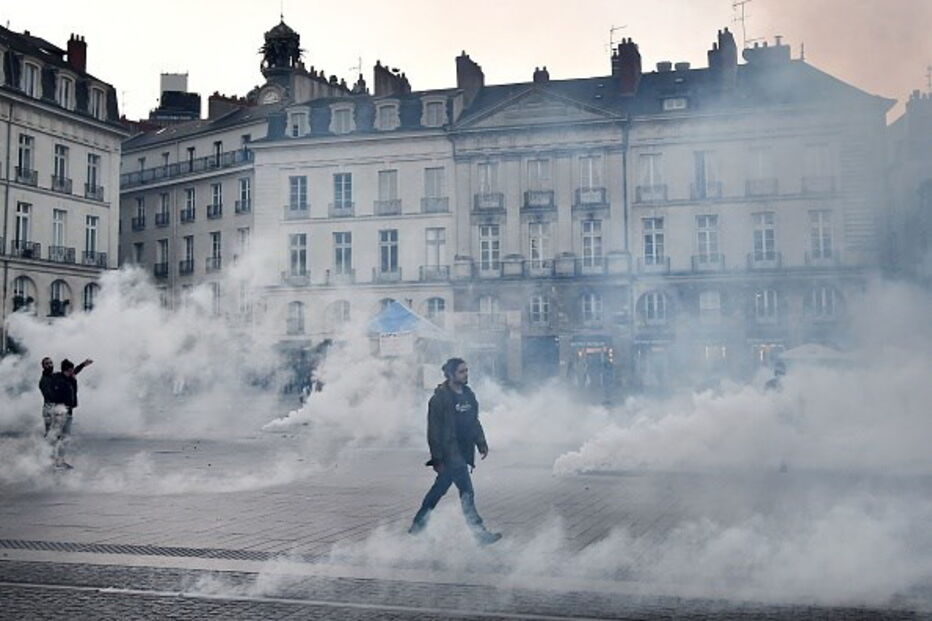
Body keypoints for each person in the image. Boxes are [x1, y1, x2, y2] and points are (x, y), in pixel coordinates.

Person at [409, 358, 501, 545]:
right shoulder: (439, 399)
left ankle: (418, 525)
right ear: (450, 374)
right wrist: (437, 459)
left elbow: (474, 422)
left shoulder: (468, 394)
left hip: (463, 452)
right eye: (461, 371)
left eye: (466, 371)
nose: (466, 374)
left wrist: (481, 443)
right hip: (450, 454)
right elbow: (433, 431)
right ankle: (479, 534)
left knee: (438, 490)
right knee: (467, 492)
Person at [46, 358, 93, 469]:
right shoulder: (57, 378)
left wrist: (83, 364)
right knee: (56, 437)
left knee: (65, 438)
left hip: (69, 411)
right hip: (60, 411)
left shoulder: (70, 376)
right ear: (67, 370)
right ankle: (52, 460)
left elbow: (76, 370)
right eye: (71, 370)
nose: (73, 372)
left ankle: (60, 461)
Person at [38, 357, 57, 436]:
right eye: (47, 364)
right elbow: (49, 396)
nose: (49, 365)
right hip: (49, 408)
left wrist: (82, 365)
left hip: (55, 408)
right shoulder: (44, 380)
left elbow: (69, 374)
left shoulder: (55, 376)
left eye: (50, 363)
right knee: (50, 433)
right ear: (43, 366)